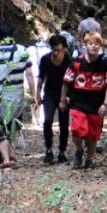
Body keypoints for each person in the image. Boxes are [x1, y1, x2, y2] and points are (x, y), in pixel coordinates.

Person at [60, 31, 107, 169]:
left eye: (97, 44)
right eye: (91, 43)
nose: (94, 46)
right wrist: (62, 99)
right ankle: (79, 150)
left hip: (96, 105)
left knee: (93, 135)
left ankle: (89, 159)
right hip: (78, 103)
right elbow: (66, 82)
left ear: (100, 46)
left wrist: (105, 103)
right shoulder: (77, 63)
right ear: (85, 45)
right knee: (77, 129)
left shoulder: (105, 65)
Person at [0, 21, 34, 170]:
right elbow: (29, 73)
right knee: (15, 121)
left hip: (0, 95)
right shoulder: (22, 50)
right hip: (17, 92)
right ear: (12, 34)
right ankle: (12, 152)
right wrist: (35, 94)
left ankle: (5, 159)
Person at [37, 34, 73, 164]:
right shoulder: (45, 59)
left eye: (58, 49)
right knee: (47, 121)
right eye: (53, 49)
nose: (56, 52)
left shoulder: (69, 61)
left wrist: (64, 98)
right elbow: (41, 77)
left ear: (64, 48)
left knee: (64, 124)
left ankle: (62, 151)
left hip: (65, 94)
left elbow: (69, 81)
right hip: (49, 94)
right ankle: (48, 149)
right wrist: (37, 94)